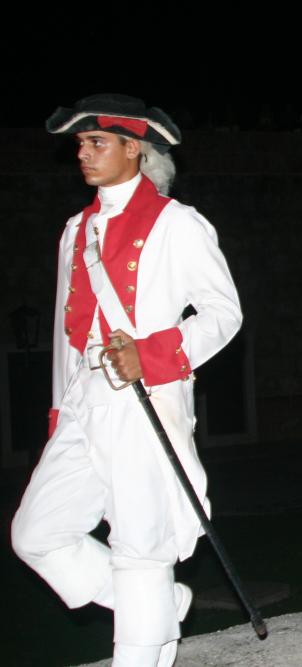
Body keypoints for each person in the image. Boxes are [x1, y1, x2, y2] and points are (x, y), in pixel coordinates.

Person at [11, 94, 243, 666]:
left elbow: (223, 312)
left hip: (146, 399)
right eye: (80, 145)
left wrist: (155, 353)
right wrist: (60, 413)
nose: (83, 155)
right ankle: (160, 606)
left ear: (133, 148)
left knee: (141, 548)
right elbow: (71, 336)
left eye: (97, 143)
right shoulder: (75, 230)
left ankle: (141, 640)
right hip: (84, 400)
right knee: (35, 533)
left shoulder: (177, 223)